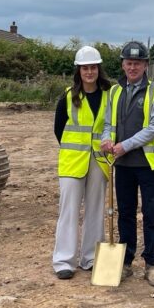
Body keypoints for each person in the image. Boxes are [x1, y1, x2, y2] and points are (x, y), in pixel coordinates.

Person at [100, 40, 154, 287]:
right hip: (123, 165)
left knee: (151, 215)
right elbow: (108, 123)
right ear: (123, 64)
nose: (132, 67)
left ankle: (152, 264)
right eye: (129, 63)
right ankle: (126, 262)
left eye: (137, 63)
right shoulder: (115, 92)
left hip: (148, 164)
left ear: (145, 65)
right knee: (125, 215)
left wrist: (125, 145)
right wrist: (107, 138)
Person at [52, 45, 112, 279]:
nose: (89, 72)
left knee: (96, 210)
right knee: (69, 211)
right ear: (79, 70)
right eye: (85, 68)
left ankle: (91, 258)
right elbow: (59, 129)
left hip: (99, 160)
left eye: (93, 67)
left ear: (99, 69)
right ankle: (64, 261)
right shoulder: (68, 96)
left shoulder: (109, 94)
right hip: (72, 161)